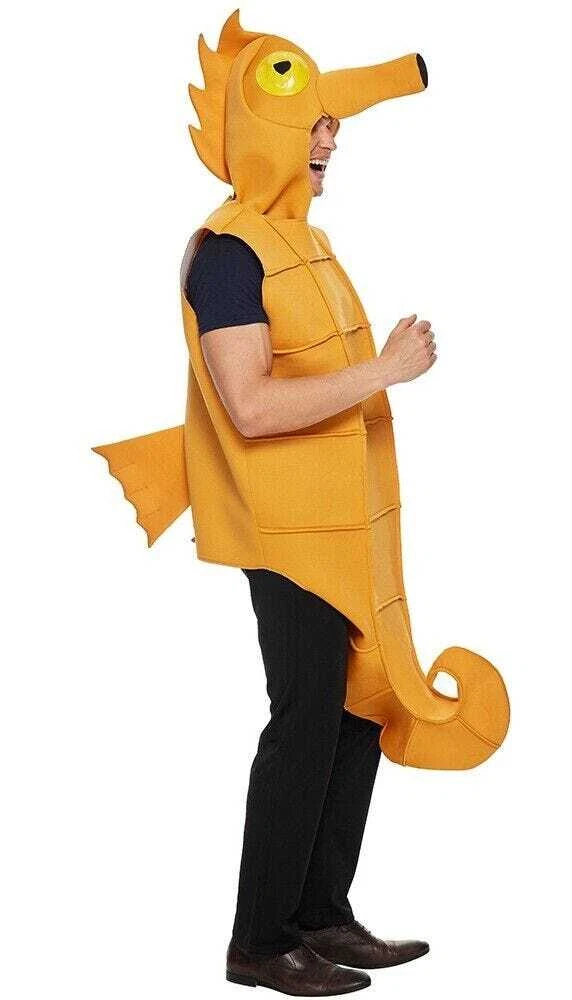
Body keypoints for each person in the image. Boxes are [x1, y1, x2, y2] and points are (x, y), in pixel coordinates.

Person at [185, 113, 433, 995]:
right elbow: (249, 406)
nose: (331, 141)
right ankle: (258, 941)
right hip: (287, 532)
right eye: (313, 126)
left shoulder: (307, 244)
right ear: (263, 134)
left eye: (333, 125)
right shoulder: (229, 254)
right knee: (304, 717)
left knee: (358, 709)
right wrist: (385, 371)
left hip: (348, 522)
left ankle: (321, 915)